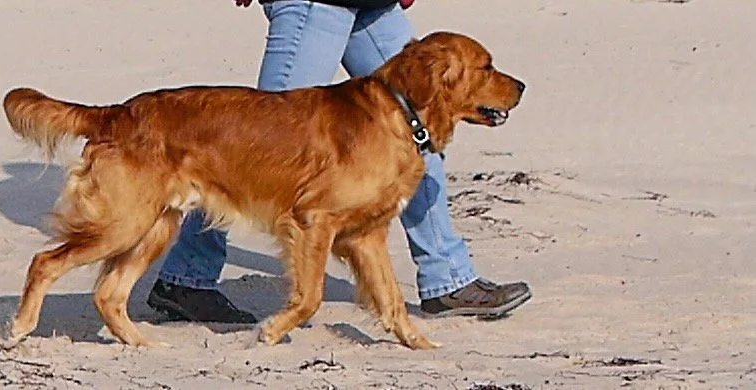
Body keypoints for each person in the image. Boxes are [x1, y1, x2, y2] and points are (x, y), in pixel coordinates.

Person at [145, 0, 533, 323]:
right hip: (315, 5)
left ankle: (448, 279)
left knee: (421, 131)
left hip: (373, 6)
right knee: (258, 150)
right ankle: (189, 276)